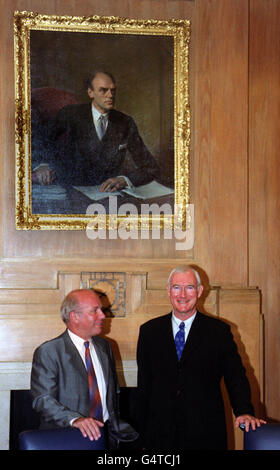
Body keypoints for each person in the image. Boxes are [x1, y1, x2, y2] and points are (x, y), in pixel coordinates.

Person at [136, 265, 266, 450]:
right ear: (168, 291)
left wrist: (244, 411)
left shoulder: (218, 331)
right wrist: (140, 435)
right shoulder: (149, 331)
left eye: (189, 287)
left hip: (206, 434)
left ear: (199, 291)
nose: (182, 294)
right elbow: (144, 386)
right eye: (176, 287)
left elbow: (235, 376)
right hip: (160, 436)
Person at [31, 288, 138, 449]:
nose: (103, 315)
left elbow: (112, 395)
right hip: (68, 440)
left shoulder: (105, 346)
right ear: (74, 316)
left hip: (108, 440)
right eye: (95, 311)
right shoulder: (49, 351)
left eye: (101, 310)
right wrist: (76, 420)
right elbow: (43, 400)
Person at [32, 70, 159, 191]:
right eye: (103, 90)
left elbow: (151, 167)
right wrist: (43, 164)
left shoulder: (125, 122)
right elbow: (42, 139)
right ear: (90, 93)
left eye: (113, 90)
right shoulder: (70, 114)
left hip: (109, 193)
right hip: (70, 189)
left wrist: (124, 180)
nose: (110, 95)